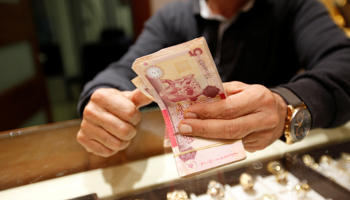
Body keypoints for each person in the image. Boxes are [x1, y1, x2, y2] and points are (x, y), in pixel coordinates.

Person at [77, 0, 350, 157]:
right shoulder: (172, 17)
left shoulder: (293, 6)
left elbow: (343, 63)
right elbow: (125, 69)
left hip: (268, 156)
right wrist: (101, 98)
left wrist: (283, 105)